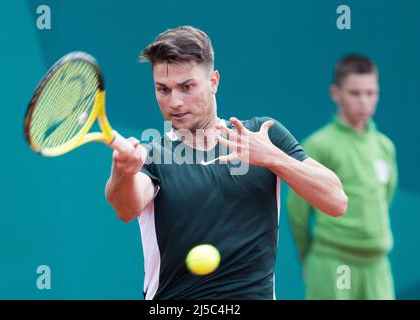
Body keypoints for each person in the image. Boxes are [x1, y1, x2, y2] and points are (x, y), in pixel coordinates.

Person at [105, 26, 347, 300]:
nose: (175, 102)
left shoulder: (263, 135)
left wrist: (273, 158)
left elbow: (336, 201)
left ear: (214, 82)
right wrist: (123, 172)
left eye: (187, 87)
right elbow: (127, 208)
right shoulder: (155, 156)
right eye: (163, 89)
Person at [287, 54, 398, 300]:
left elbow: (384, 198)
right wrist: (307, 255)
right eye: (355, 93)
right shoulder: (318, 145)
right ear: (335, 93)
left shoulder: (385, 147)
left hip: (377, 265)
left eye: (371, 93)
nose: (364, 101)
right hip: (331, 262)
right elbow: (298, 211)